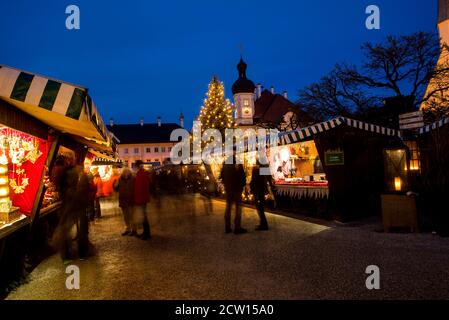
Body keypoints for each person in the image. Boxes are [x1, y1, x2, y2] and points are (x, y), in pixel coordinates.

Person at [220, 156, 247, 235]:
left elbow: (222, 176)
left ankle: (227, 227)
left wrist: (226, 185)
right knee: (238, 208)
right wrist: (242, 185)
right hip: (237, 189)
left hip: (228, 189)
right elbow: (242, 176)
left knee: (228, 207)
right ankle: (237, 227)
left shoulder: (225, 164)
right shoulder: (237, 163)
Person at [114, 168, 137, 236]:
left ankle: (134, 229)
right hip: (123, 200)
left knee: (132, 215)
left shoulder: (133, 179)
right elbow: (116, 188)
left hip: (131, 200)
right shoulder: (119, 179)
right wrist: (115, 184)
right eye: (124, 172)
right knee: (125, 216)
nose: (125, 174)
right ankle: (128, 228)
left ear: (129, 173)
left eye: (127, 172)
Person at [250, 162, 270, 231]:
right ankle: (262, 223)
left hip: (258, 191)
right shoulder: (264, 169)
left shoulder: (256, 169)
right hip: (261, 190)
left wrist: (252, 189)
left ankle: (264, 224)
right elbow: (267, 178)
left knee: (259, 208)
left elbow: (254, 180)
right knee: (260, 208)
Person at [134, 160, 151, 240]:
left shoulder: (141, 174)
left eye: (135, 166)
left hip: (142, 198)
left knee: (144, 216)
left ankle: (147, 234)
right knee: (143, 216)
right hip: (141, 198)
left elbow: (141, 188)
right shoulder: (140, 173)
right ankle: (145, 232)